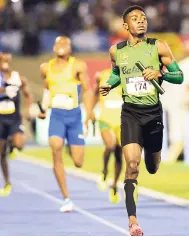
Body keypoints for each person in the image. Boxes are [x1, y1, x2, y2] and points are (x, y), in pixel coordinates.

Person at [99, 5, 184, 236]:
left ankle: (152, 155)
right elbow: (117, 73)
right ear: (125, 26)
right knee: (132, 166)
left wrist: (161, 74)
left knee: (152, 166)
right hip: (131, 114)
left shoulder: (159, 47)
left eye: (144, 18)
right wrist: (111, 83)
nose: (141, 21)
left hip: (153, 114)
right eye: (135, 19)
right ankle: (133, 221)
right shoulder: (116, 51)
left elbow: (179, 76)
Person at [38, 36, 91, 213]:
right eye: (58, 43)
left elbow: (87, 90)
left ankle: (71, 145)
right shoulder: (46, 68)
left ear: (70, 48)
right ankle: (66, 198)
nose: (61, 46)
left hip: (74, 116)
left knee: (78, 162)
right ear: (53, 47)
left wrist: (89, 114)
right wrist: (44, 108)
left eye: (65, 44)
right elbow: (46, 88)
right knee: (55, 147)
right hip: (57, 116)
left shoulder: (78, 66)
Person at [0, 52, 32, 197]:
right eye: (2, 60)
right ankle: (7, 182)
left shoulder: (18, 78)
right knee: (1, 153)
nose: (5, 63)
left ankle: (13, 145)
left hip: (14, 118)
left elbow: (28, 94)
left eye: (7, 60)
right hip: (0, 119)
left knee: (19, 144)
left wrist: (28, 109)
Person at [92, 69, 123, 203]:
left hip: (122, 121)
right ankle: (104, 171)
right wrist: (90, 112)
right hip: (105, 119)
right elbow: (94, 94)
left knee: (119, 154)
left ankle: (115, 185)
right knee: (109, 146)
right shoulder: (102, 75)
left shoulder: (127, 75)